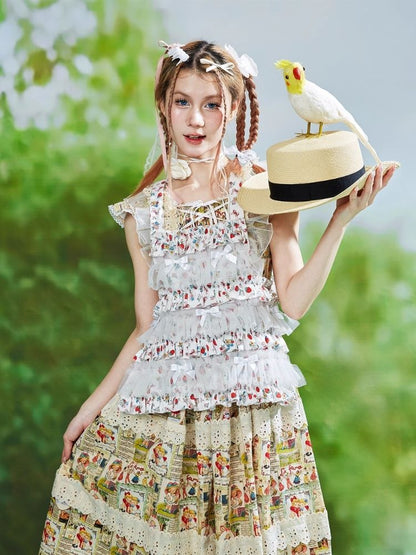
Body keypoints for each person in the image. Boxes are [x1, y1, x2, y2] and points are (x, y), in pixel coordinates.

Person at [39, 40, 395, 555]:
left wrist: (340, 220)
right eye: (182, 101)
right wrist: (86, 412)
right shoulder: (144, 214)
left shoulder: (262, 189)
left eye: (211, 104)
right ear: (163, 105)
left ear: (232, 108)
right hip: (172, 418)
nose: (196, 119)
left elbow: (292, 301)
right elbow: (145, 329)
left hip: (253, 418)